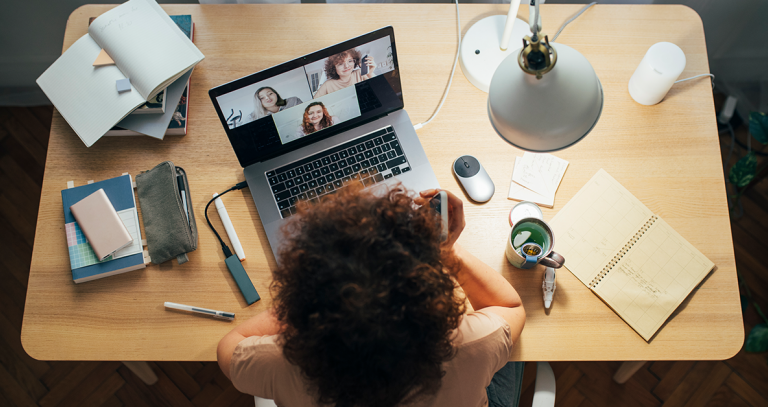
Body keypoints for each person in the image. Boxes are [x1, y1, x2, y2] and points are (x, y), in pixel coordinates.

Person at [217, 185, 527, 407]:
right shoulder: (473, 345)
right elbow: (509, 305)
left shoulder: (279, 363)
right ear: (430, 302)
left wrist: (304, 299)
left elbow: (229, 347)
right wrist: (445, 250)